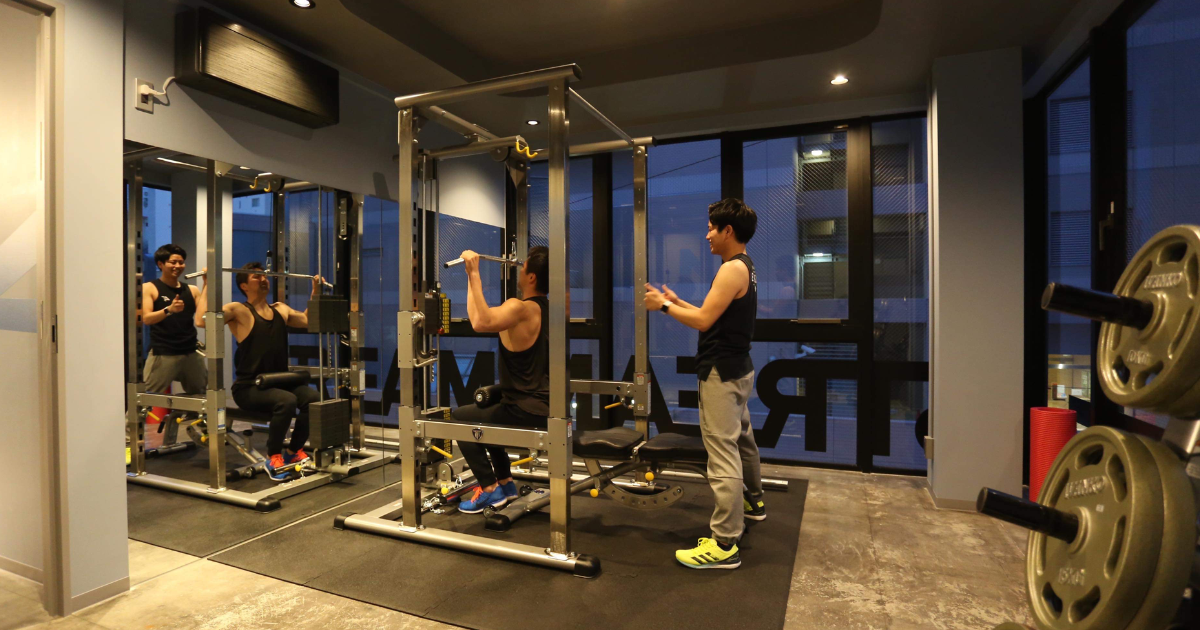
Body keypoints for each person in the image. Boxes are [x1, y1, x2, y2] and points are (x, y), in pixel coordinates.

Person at [643, 198, 765, 570]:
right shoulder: (744, 266)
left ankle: (725, 543)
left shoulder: (731, 269)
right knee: (742, 439)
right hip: (737, 368)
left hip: (721, 373)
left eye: (712, 228)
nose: (707, 234)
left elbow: (702, 323)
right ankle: (753, 502)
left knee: (722, 452)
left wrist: (663, 306)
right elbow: (710, 314)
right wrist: (679, 301)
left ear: (729, 231)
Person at [195, 262, 323, 481]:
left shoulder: (280, 309)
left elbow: (309, 320)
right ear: (244, 285)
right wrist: (207, 283)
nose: (263, 279)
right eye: (256, 276)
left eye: (264, 275)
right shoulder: (238, 310)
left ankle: (293, 451)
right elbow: (201, 321)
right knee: (287, 401)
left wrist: (316, 293)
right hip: (249, 388)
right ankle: (273, 457)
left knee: (313, 398)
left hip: (279, 382)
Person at [451, 246, 550, 514]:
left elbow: (483, 322)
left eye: (523, 267)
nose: (520, 269)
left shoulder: (520, 308)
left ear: (532, 277)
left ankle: (490, 489)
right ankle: (505, 484)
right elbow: (476, 320)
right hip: (540, 405)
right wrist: (470, 275)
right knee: (485, 411)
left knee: (459, 419)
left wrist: (475, 272)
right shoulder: (548, 309)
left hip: (525, 409)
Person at [141, 244, 206, 446]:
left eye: (181, 262)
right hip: (164, 353)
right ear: (161, 264)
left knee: (203, 399)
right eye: (173, 262)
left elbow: (202, 317)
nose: (178, 266)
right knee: (145, 400)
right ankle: (128, 441)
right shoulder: (150, 288)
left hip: (190, 352)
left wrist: (207, 283)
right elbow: (146, 318)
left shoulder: (192, 290)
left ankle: (207, 435)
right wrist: (169, 310)